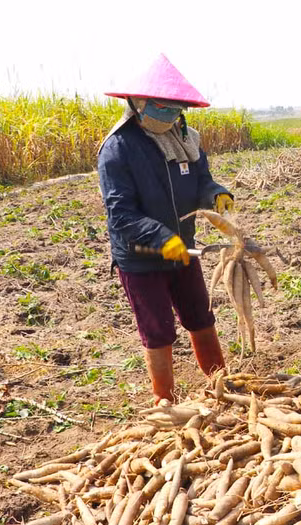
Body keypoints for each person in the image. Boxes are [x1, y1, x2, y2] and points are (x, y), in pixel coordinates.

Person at [97, 54, 234, 406]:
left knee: (200, 315)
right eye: (163, 106)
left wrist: (215, 195)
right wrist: (161, 239)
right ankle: (166, 401)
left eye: (175, 107)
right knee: (158, 330)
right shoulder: (118, 149)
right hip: (141, 258)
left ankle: (220, 385)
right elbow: (121, 214)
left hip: (183, 249)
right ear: (139, 103)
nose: (170, 114)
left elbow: (202, 179)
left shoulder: (185, 138)